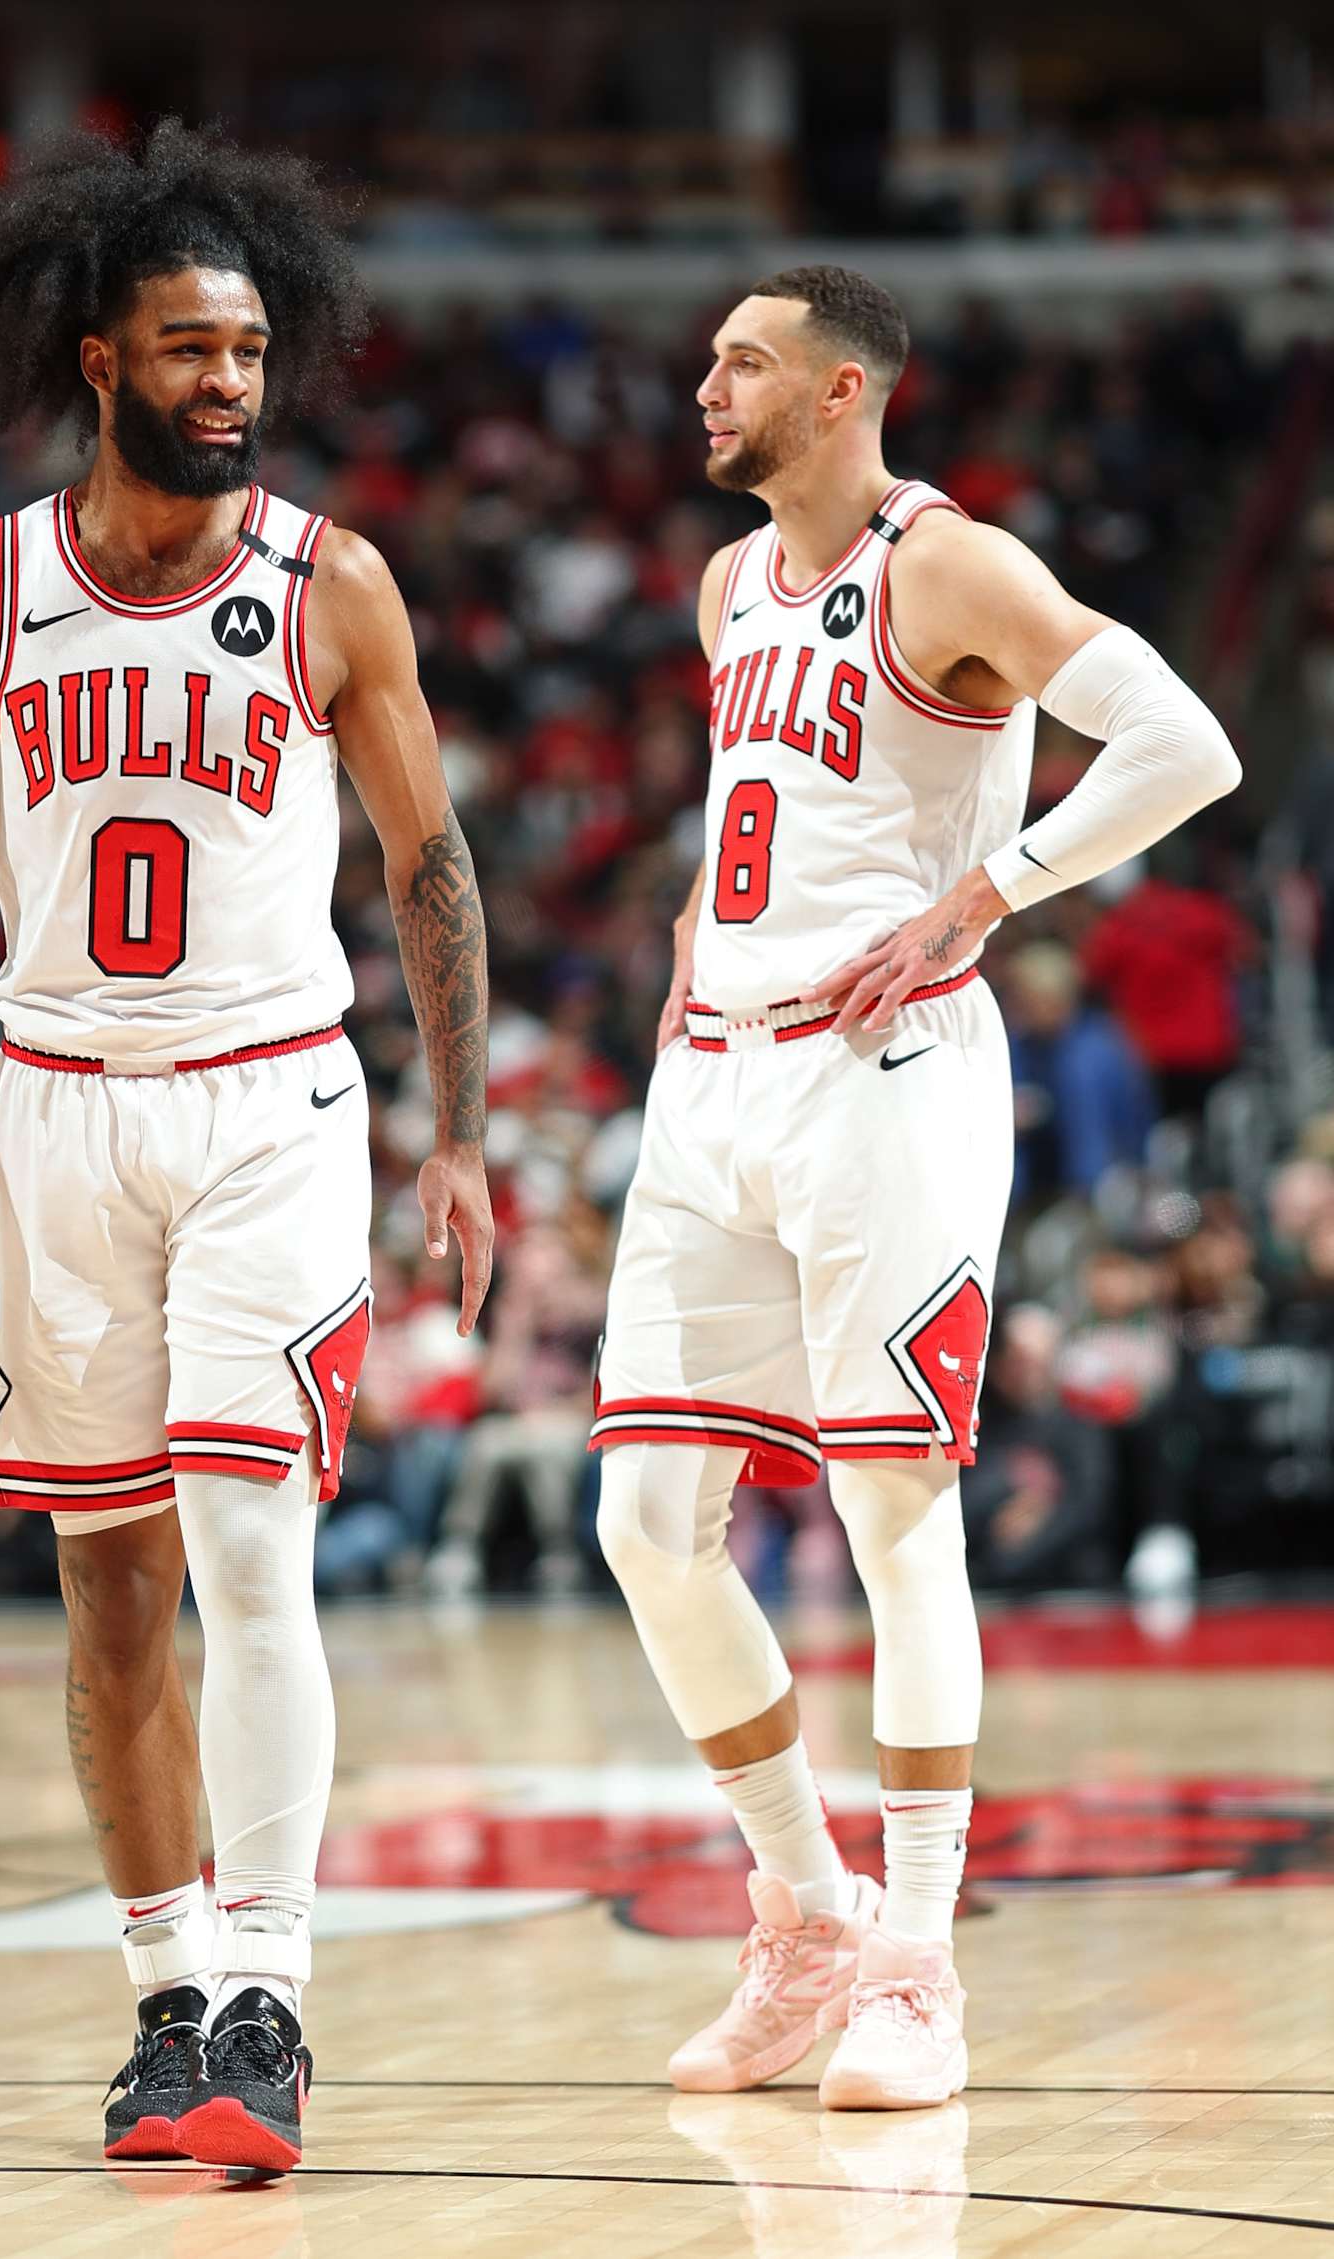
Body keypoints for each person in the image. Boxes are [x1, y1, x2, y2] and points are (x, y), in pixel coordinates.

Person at [0, 122, 493, 2174]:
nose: (231, 383)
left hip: (271, 1102)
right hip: (52, 1114)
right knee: (106, 1591)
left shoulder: (329, 583)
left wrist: (456, 1128)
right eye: (192, 349)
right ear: (99, 361)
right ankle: (166, 1995)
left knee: (249, 1550)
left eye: (253, 351)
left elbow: (432, 865)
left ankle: (273, 1997)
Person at [591, 265, 1238, 2110]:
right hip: (715, 1078)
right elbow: (752, 833)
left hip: (891, 1077)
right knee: (650, 1524)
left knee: (892, 1519)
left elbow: (1189, 744)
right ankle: (809, 1915)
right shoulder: (730, 584)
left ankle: (921, 1966)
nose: (705, 385)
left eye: (743, 362)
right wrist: (680, 1009)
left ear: (846, 389)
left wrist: (987, 895)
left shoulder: (951, 568)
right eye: (708, 353)